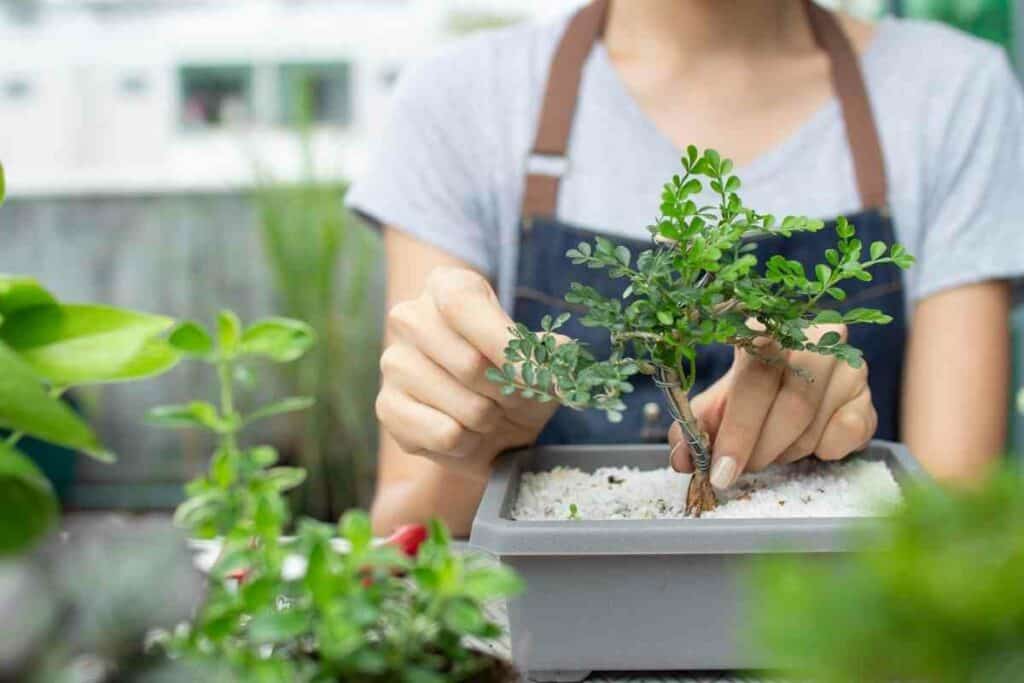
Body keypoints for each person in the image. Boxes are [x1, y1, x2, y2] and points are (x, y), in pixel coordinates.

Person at [347, 0, 1024, 535]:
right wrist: (473, 448)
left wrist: (832, 436)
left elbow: (953, 528)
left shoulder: (955, 92)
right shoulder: (461, 99)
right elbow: (405, 534)